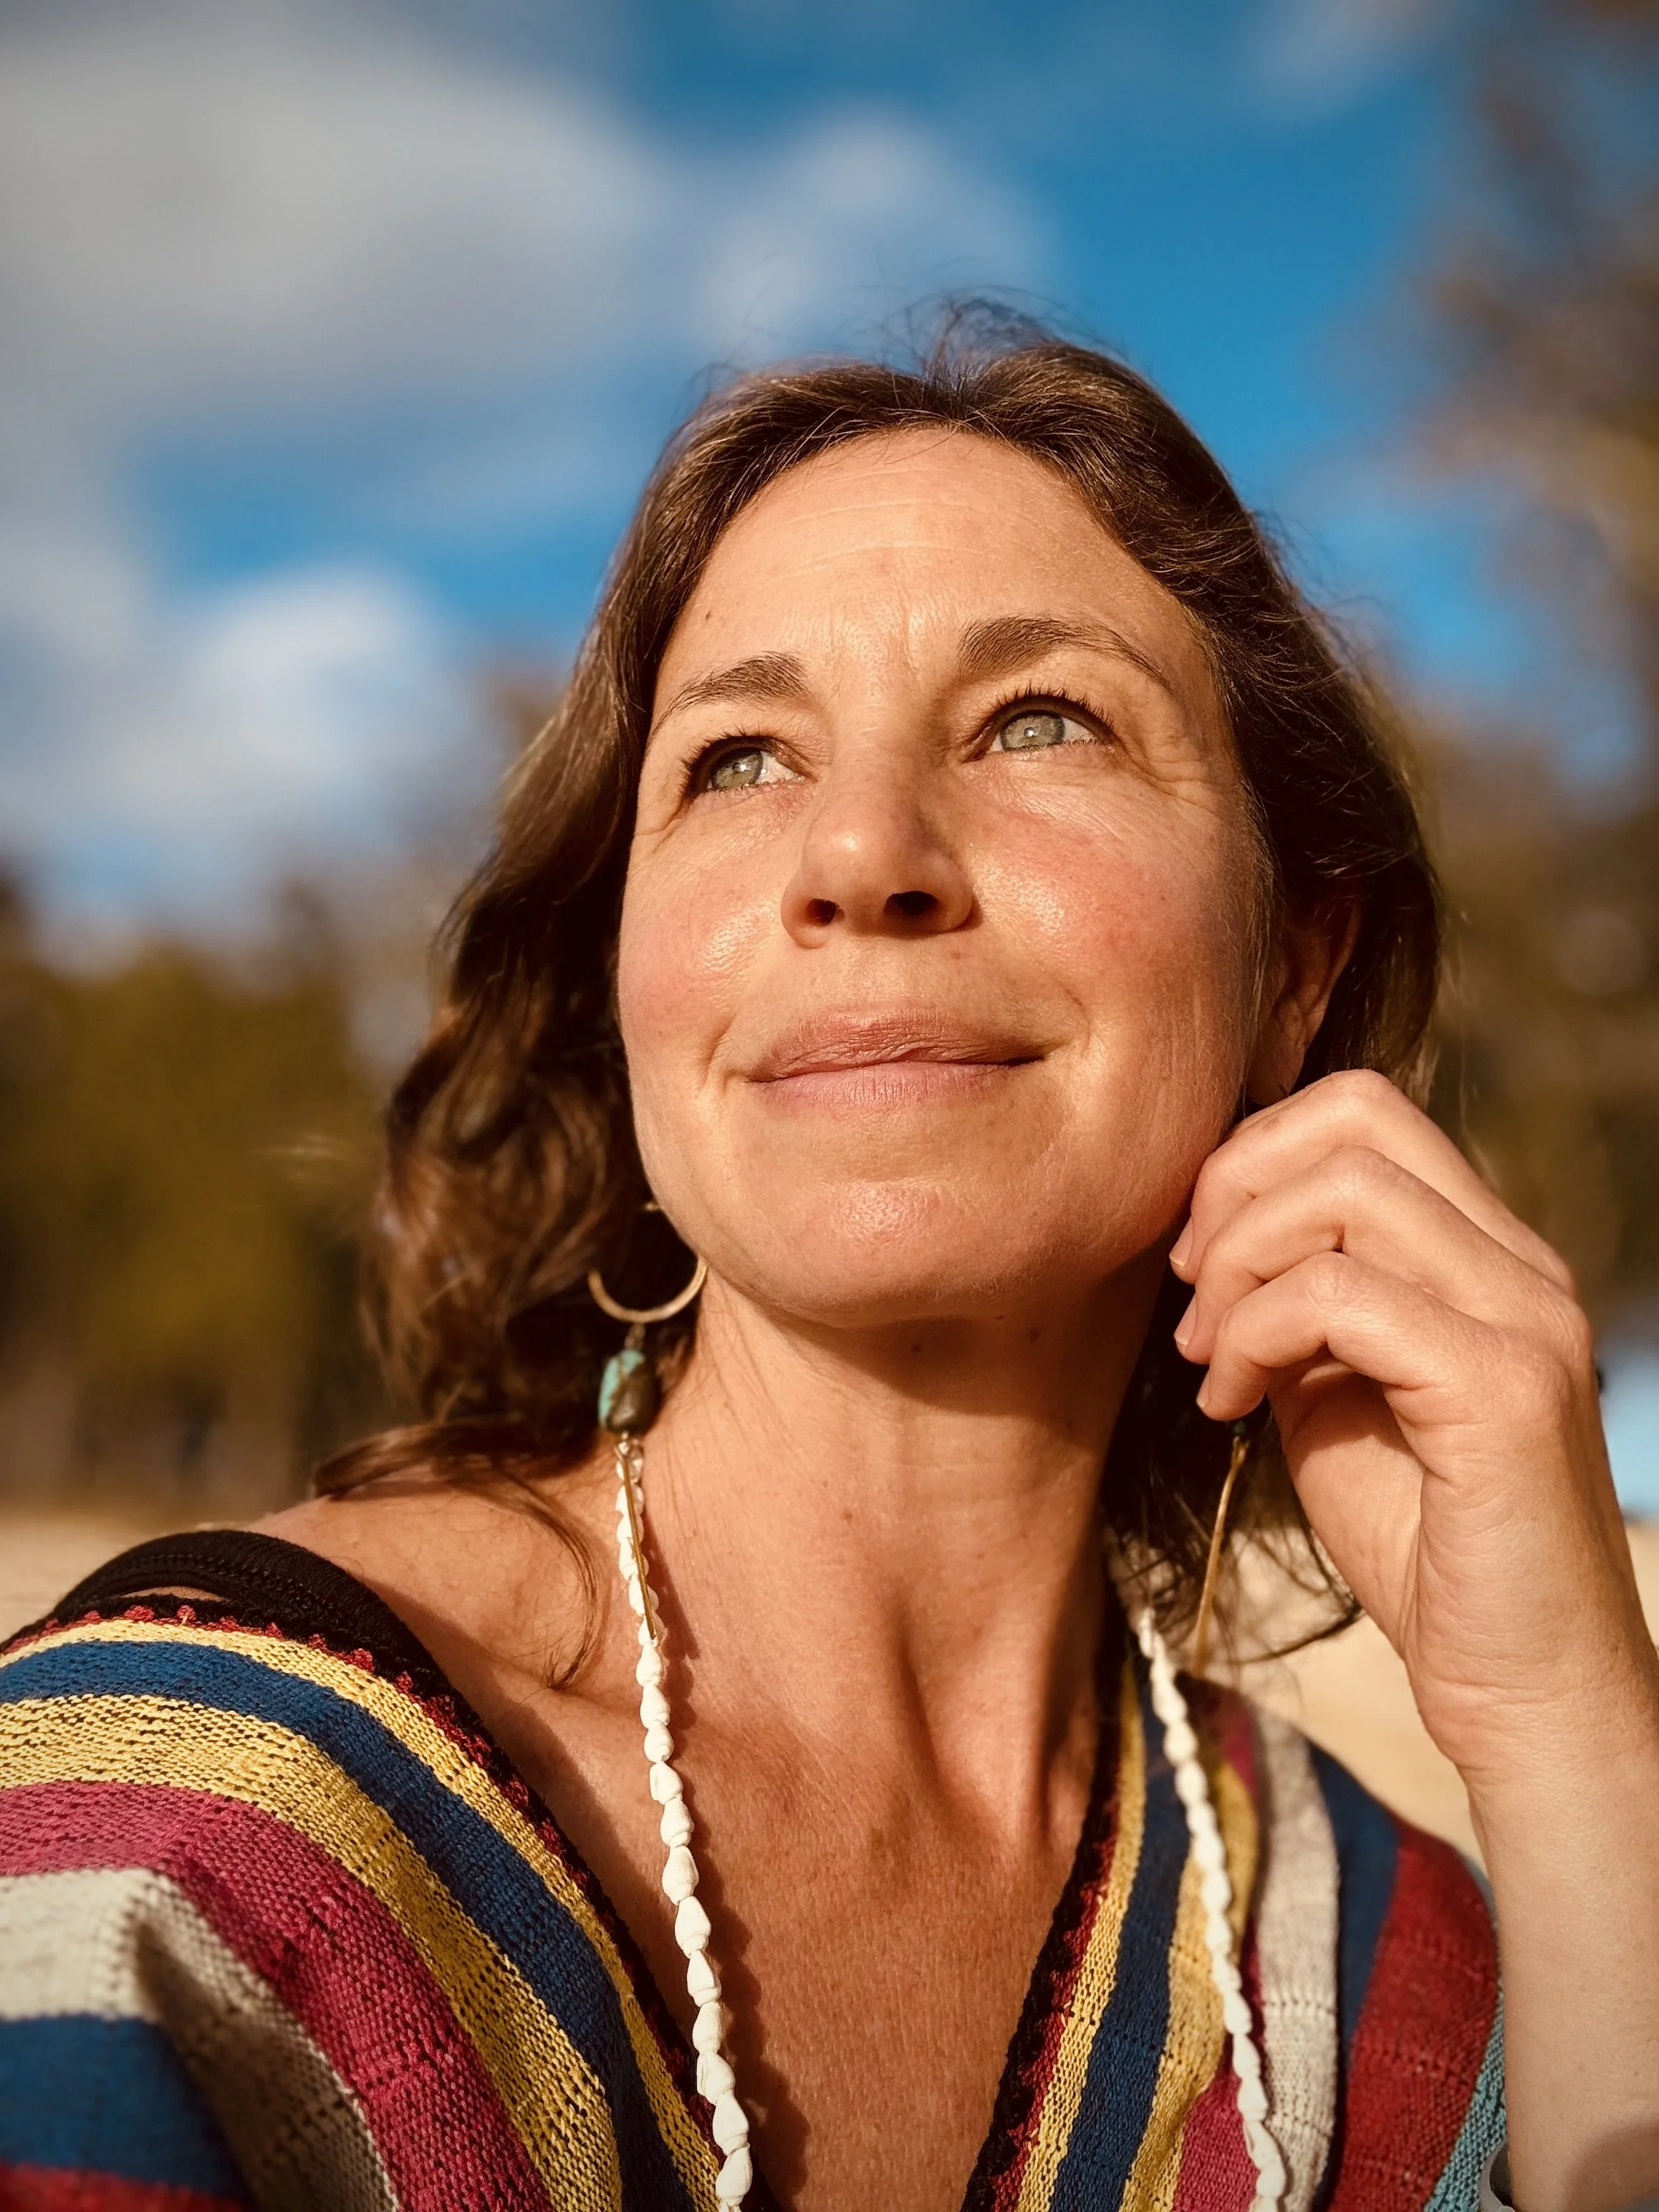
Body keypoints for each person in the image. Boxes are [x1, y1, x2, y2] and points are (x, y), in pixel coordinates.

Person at [2, 317, 1656, 2212]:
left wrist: (1575, 1743)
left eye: (1041, 719)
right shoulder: (161, 1846)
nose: (861, 852)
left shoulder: (1398, 1964)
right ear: (626, 972)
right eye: (737, 758)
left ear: (1289, 963)